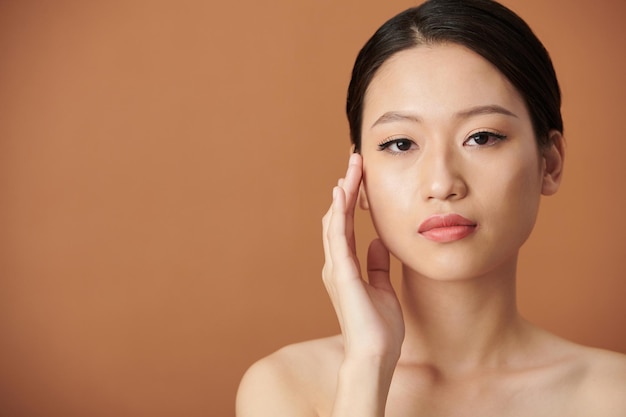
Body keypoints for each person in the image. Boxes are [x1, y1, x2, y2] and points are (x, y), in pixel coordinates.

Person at [236, 0, 626, 415]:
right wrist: (368, 365)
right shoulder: (287, 387)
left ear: (550, 162)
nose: (442, 183)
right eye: (400, 144)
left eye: (482, 137)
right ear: (359, 176)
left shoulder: (613, 394)